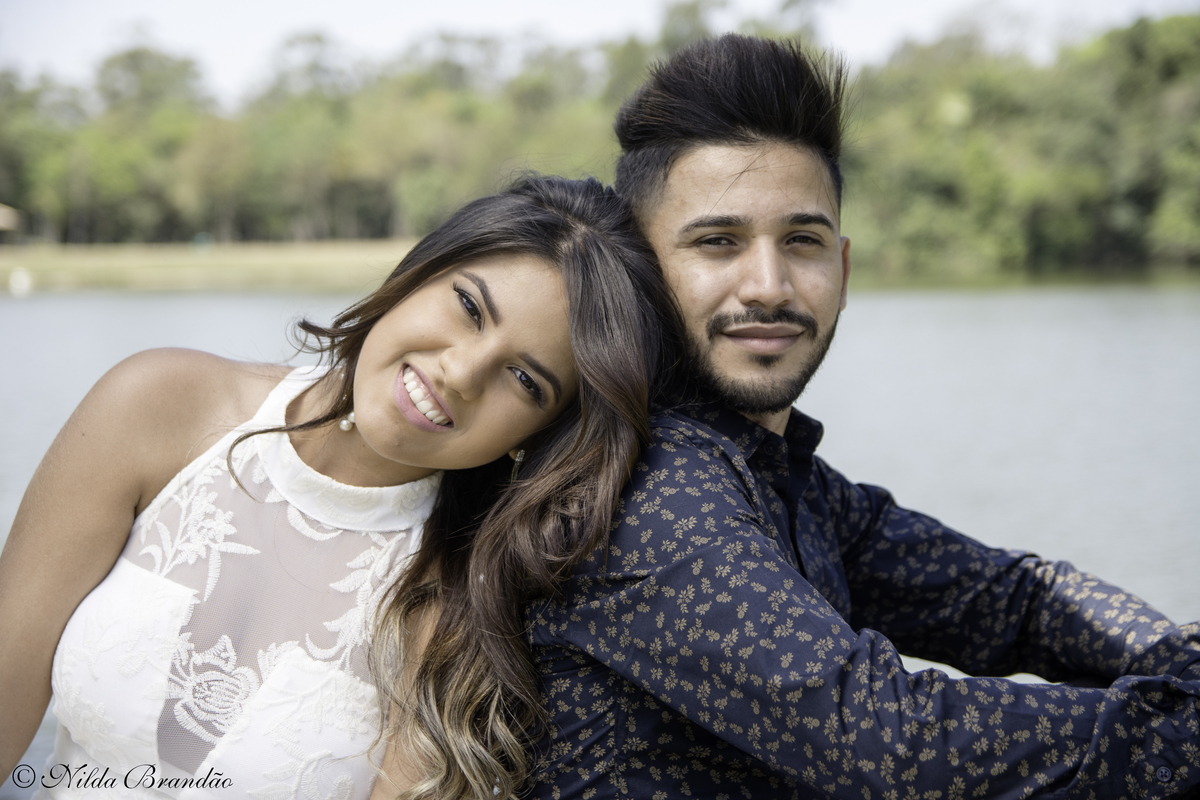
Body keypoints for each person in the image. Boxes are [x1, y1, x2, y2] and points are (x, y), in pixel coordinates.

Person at [522, 36, 1200, 799]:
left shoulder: (787, 478)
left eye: (801, 242)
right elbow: (888, 743)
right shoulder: (643, 488)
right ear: (639, 273)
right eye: (719, 242)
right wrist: (1175, 729)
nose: (769, 285)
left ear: (841, 272)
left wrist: (1180, 657)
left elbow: (1016, 598)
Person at [0, 175, 681, 799]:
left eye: (526, 380)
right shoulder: (159, 404)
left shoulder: (457, 611)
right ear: (418, 272)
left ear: (535, 436)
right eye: (470, 308)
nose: (462, 373)